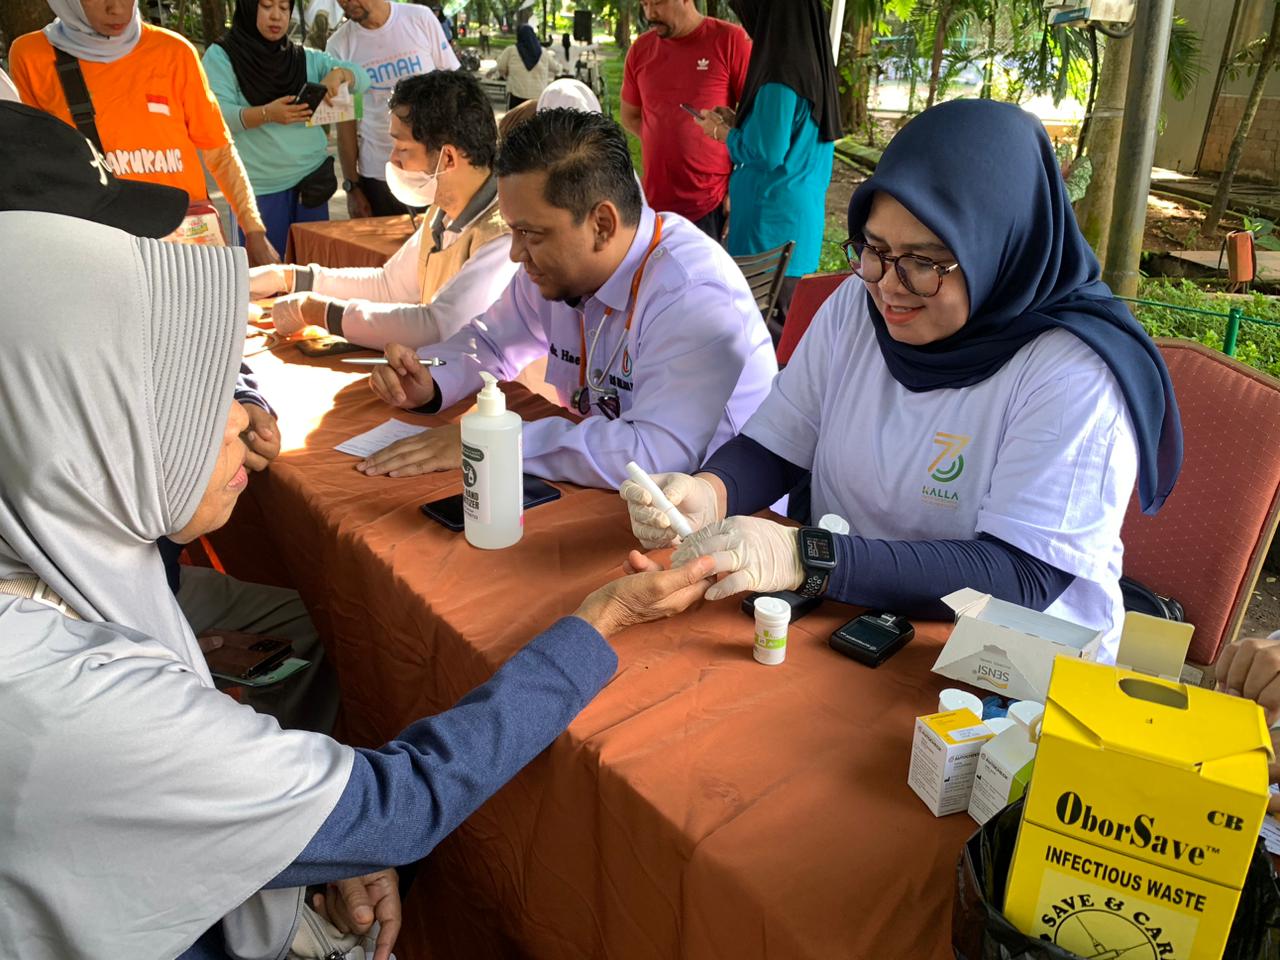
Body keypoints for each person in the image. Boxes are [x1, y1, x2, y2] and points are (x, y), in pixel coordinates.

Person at [0, 202, 728, 960]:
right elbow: (397, 805)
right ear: (88, 430)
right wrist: (595, 624)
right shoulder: (70, 700)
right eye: (194, 400)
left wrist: (295, 843)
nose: (242, 425)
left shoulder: (47, 556)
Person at [623, 99, 1185, 660]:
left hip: (1007, 673)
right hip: (854, 614)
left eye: (924, 262)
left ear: (998, 249)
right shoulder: (856, 306)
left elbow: (1021, 576)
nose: (889, 285)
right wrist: (712, 491)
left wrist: (809, 555)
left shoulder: (1072, 373)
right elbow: (781, 442)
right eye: (875, 249)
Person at [0, 99, 338, 735]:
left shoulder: (82, 334)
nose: (128, 254)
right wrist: (159, 652)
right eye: (95, 237)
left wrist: (250, 401)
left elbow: (207, 353)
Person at [360, 108, 777, 489]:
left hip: (713, 521)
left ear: (601, 224)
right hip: (613, 494)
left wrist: (497, 441)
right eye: (514, 232)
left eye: (531, 234)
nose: (515, 253)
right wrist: (431, 382)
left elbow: (655, 454)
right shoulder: (557, 268)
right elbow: (489, 340)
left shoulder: (691, 293)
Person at [250, 71, 518, 351]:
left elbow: (437, 328)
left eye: (402, 147)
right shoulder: (442, 214)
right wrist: (289, 277)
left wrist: (316, 311)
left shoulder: (502, 236)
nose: (392, 159)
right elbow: (388, 286)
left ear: (447, 157)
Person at [9, 0, 281, 266]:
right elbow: (37, 169)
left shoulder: (175, 51)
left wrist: (254, 230)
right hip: (100, 242)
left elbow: (219, 150)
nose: (117, 8)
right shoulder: (32, 56)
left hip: (186, 237)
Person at [693, 0, 840, 330]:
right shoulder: (809, 65)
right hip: (793, 222)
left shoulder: (780, 76)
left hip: (771, 228)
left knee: (763, 330)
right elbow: (785, 134)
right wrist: (739, 124)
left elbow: (766, 151)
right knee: (781, 319)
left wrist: (721, 133)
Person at [203, 0, 371, 256]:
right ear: (248, 8)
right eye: (267, 6)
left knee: (312, 271)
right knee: (267, 278)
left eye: (284, 8)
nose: (276, 17)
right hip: (258, 191)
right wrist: (267, 114)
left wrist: (340, 74)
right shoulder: (222, 56)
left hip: (312, 185)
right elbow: (217, 116)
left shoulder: (305, 58)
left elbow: (363, 79)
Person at [621, 0, 749, 242]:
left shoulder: (730, 40)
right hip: (656, 204)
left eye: (657, 2)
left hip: (712, 202)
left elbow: (756, 122)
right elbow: (630, 116)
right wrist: (666, 141)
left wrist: (737, 188)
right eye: (644, 4)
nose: (650, 13)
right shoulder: (640, 50)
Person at [327, 0, 459, 218]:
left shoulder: (420, 19)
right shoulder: (339, 45)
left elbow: (456, 91)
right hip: (379, 175)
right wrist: (352, 187)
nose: (347, 3)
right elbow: (346, 125)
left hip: (435, 171)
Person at [495, 24, 562, 109]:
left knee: (516, 121)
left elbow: (501, 67)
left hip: (517, 95)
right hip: (537, 98)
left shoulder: (511, 50)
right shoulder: (544, 53)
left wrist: (505, 74)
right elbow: (556, 68)